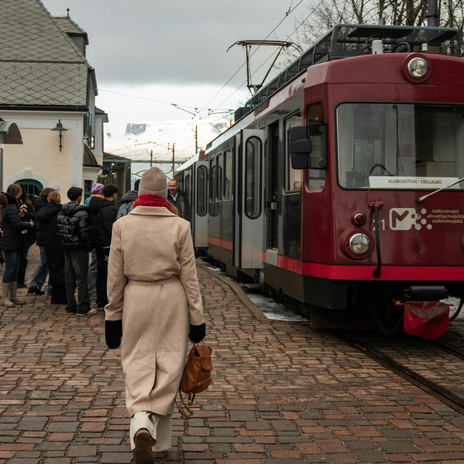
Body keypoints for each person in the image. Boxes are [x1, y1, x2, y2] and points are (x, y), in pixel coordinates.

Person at [104, 167, 206, 463]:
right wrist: (197, 319)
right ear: (164, 194)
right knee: (169, 364)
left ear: (139, 194)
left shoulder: (122, 225)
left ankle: (141, 421)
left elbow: (114, 277)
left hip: (136, 296)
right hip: (172, 297)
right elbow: (190, 277)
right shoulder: (180, 226)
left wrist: (112, 316)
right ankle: (160, 442)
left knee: (137, 359)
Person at [56, 187, 95, 316]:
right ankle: (83, 306)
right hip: (78, 248)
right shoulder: (82, 213)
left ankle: (71, 305)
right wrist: (88, 246)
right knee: (82, 278)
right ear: (79, 197)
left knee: (69, 278)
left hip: (66, 247)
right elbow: (85, 232)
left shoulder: (61, 211)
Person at [0, 185, 34, 307]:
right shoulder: (11, 205)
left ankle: (13, 296)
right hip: (10, 241)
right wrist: (29, 224)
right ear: (17, 193)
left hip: (14, 240)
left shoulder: (11, 204)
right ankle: (4, 297)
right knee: (9, 269)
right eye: (20, 192)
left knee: (15, 268)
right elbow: (16, 224)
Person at [88, 183, 118, 310]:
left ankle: (100, 299)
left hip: (98, 243)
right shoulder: (109, 209)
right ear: (114, 194)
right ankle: (106, 299)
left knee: (101, 272)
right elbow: (110, 228)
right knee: (108, 273)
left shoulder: (96, 206)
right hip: (107, 244)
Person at [35, 191, 67, 304]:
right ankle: (62, 297)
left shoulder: (43, 212)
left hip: (48, 244)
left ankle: (54, 296)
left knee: (53, 270)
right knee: (62, 270)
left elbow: (38, 228)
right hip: (59, 243)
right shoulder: (61, 211)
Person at [28, 187, 55, 295]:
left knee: (45, 262)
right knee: (46, 262)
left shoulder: (39, 205)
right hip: (46, 238)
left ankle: (36, 284)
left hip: (42, 237)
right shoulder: (45, 207)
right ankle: (36, 284)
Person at [15, 182, 36, 288]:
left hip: (25, 235)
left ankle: (20, 280)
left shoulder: (27, 203)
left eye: (21, 191)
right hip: (15, 234)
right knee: (15, 259)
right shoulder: (10, 204)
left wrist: (25, 215)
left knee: (23, 258)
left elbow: (34, 216)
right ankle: (14, 281)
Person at [85, 183, 104, 298]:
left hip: (91, 236)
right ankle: (92, 288)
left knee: (93, 263)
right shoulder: (97, 203)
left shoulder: (88, 201)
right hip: (96, 237)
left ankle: (91, 287)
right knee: (94, 263)